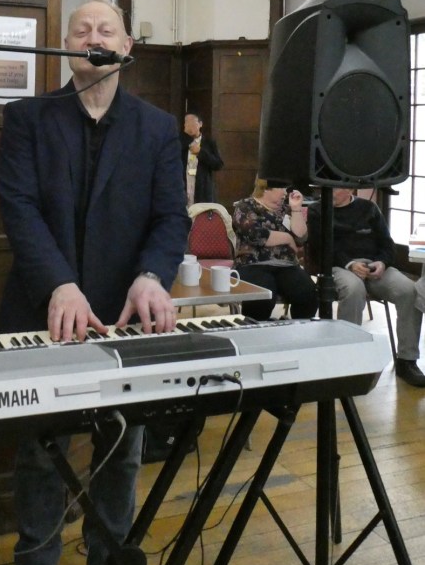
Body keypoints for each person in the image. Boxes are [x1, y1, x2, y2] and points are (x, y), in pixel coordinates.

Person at [0, 0, 191, 565]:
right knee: (41, 454)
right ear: (65, 45)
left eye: (106, 28)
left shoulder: (158, 128)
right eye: (81, 29)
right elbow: (19, 209)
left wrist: (151, 276)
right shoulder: (26, 119)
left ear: (126, 46)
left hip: (123, 316)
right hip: (44, 309)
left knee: (122, 451)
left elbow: (170, 218)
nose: (92, 36)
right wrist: (60, 282)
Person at [307, 188, 425, 387]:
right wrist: (350, 264)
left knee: (409, 290)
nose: (328, 192)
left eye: (335, 188)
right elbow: (320, 247)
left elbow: (387, 244)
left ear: (348, 190)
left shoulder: (369, 208)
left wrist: (382, 262)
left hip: (373, 265)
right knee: (354, 289)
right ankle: (348, 357)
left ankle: (407, 360)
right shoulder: (318, 210)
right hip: (339, 265)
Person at [231, 177, 317, 321]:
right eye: (281, 188)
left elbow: (301, 238)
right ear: (266, 188)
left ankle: (300, 330)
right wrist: (287, 238)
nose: (285, 192)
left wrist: (296, 209)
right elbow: (256, 235)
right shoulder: (245, 206)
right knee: (263, 295)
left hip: (286, 265)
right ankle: (256, 331)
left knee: (308, 292)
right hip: (252, 264)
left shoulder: (286, 209)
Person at [181, 110, 224, 205]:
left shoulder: (209, 142)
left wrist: (201, 152)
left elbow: (218, 164)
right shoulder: (180, 142)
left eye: (192, 122)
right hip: (183, 188)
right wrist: (186, 139)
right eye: (186, 122)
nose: (189, 125)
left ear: (200, 124)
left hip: (202, 190)